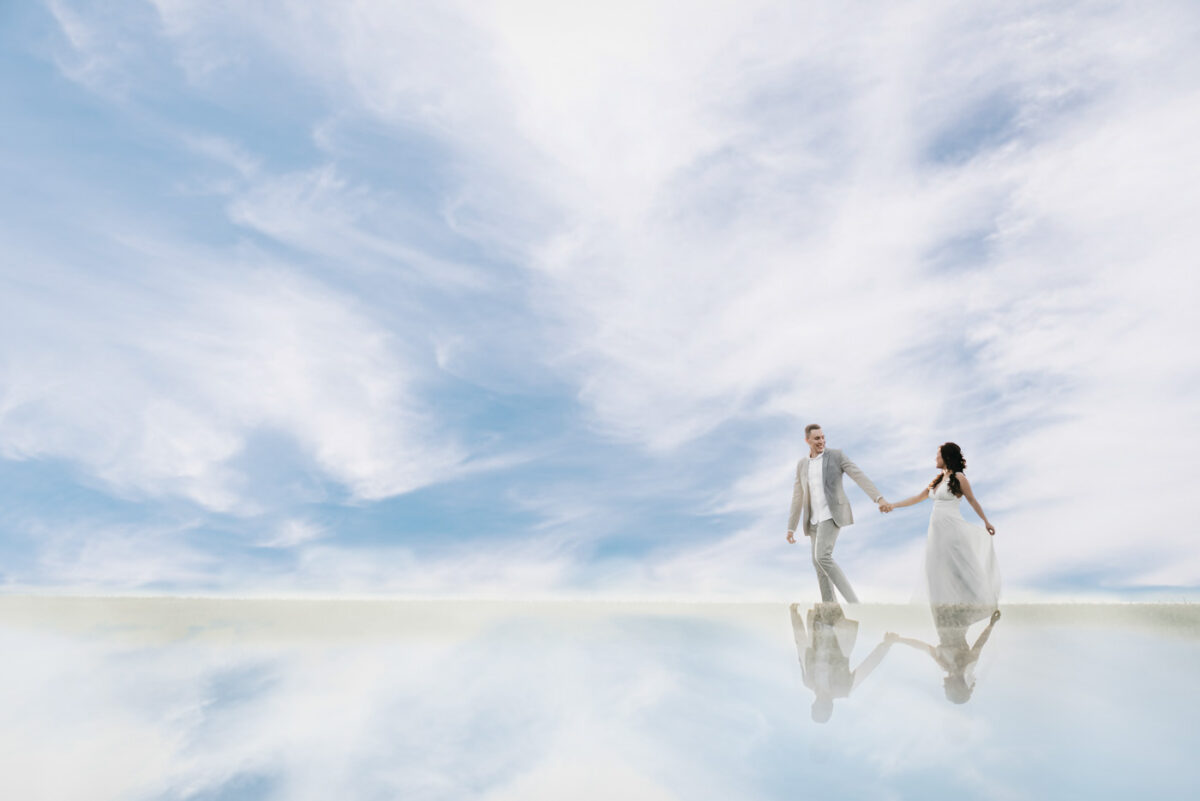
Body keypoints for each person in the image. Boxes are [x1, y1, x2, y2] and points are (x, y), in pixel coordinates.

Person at [881, 441, 1000, 615]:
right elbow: (918, 497)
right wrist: (893, 505)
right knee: (937, 569)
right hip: (936, 532)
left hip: (952, 530)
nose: (935, 458)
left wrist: (986, 522)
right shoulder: (937, 480)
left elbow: (972, 500)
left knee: (959, 567)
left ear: (947, 457)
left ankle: (983, 604)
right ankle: (946, 607)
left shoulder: (959, 478)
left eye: (938, 455)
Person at [786, 424, 889, 603]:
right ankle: (830, 609)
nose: (822, 441)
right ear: (807, 441)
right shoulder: (802, 465)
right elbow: (797, 496)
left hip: (831, 515)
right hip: (813, 520)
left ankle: (854, 603)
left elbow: (859, 476)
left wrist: (878, 498)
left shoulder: (836, 456)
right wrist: (791, 527)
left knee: (822, 557)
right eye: (817, 438)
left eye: (823, 437)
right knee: (818, 564)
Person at [790, 602, 895, 722]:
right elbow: (867, 667)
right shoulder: (843, 689)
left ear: (813, 705)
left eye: (820, 708)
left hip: (817, 622)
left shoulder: (808, 681)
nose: (823, 705)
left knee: (825, 592)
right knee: (828, 594)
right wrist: (886, 645)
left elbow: (801, 646)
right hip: (838, 628)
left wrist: (794, 616)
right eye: (825, 709)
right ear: (830, 708)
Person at [886, 609, 1002, 704]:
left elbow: (922, 646)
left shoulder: (944, 664)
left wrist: (898, 640)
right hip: (958, 618)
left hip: (940, 618)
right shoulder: (968, 664)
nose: (944, 685)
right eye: (947, 689)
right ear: (956, 687)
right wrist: (991, 624)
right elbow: (980, 643)